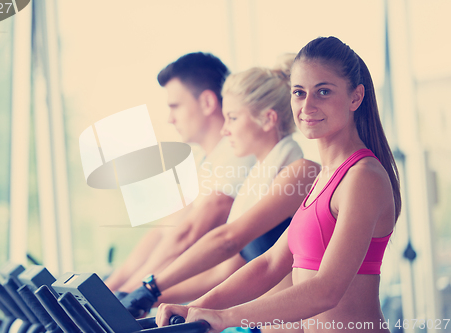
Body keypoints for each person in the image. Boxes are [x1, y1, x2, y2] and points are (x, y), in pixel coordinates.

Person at [156, 36, 401, 333]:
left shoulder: (363, 176)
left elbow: (327, 289)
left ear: (355, 98)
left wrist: (227, 318)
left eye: (323, 92)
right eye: (299, 93)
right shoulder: (324, 177)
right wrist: (200, 307)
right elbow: (270, 264)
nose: (307, 105)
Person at [120, 54, 320, 319]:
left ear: (268, 119)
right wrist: (143, 298)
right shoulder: (255, 181)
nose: (225, 130)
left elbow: (228, 239)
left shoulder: (299, 172)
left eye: (233, 118)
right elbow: (225, 272)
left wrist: (150, 287)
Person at [105, 53, 255, 296]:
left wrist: (132, 294)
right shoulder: (203, 161)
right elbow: (166, 230)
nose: (170, 118)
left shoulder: (239, 156)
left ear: (207, 102)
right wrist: (111, 288)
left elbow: (187, 234)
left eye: (175, 106)